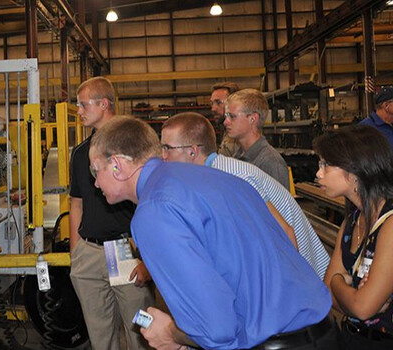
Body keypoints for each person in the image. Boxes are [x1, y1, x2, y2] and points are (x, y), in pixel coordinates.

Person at [89, 116, 336, 350]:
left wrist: (169, 333)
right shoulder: (218, 177)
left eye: (95, 171)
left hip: (270, 341)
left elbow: (216, 328)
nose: (96, 184)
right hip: (322, 329)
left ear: (117, 166)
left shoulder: (154, 210)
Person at [160, 112, 330, 279]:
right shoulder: (212, 175)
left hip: (306, 275)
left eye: (168, 148)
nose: (163, 156)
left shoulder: (234, 178)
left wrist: (290, 288)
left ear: (192, 151)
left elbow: (285, 233)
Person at [69, 77, 154, 350]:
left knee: (140, 330)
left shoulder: (134, 148)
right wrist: (76, 251)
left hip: (125, 251)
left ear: (103, 104)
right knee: (99, 334)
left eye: (83, 104)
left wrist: (147, 260)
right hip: (90, 253)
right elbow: (76, 202)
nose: (79, 111)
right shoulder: (81, 153)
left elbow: (151, 203)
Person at [315, 125, 393, 350]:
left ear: (357, 170)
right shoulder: (351, 222)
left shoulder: (389, 224)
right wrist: (352, 293)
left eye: (326, 165)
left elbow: (361, 308)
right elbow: (326, 294)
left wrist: (340, 281)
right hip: (352, 338)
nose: (318, 173)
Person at [224, 89, 291, 190]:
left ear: (253, 118)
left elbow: (280, 205)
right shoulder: (238, 157)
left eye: (232, 116)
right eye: (226, 116)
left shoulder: (271, 163)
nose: (226, 122)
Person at [210, 82, 240, 157]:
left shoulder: (239, 137)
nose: (213, 109)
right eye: (212, 103)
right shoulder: (227, 131)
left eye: (218, 102)